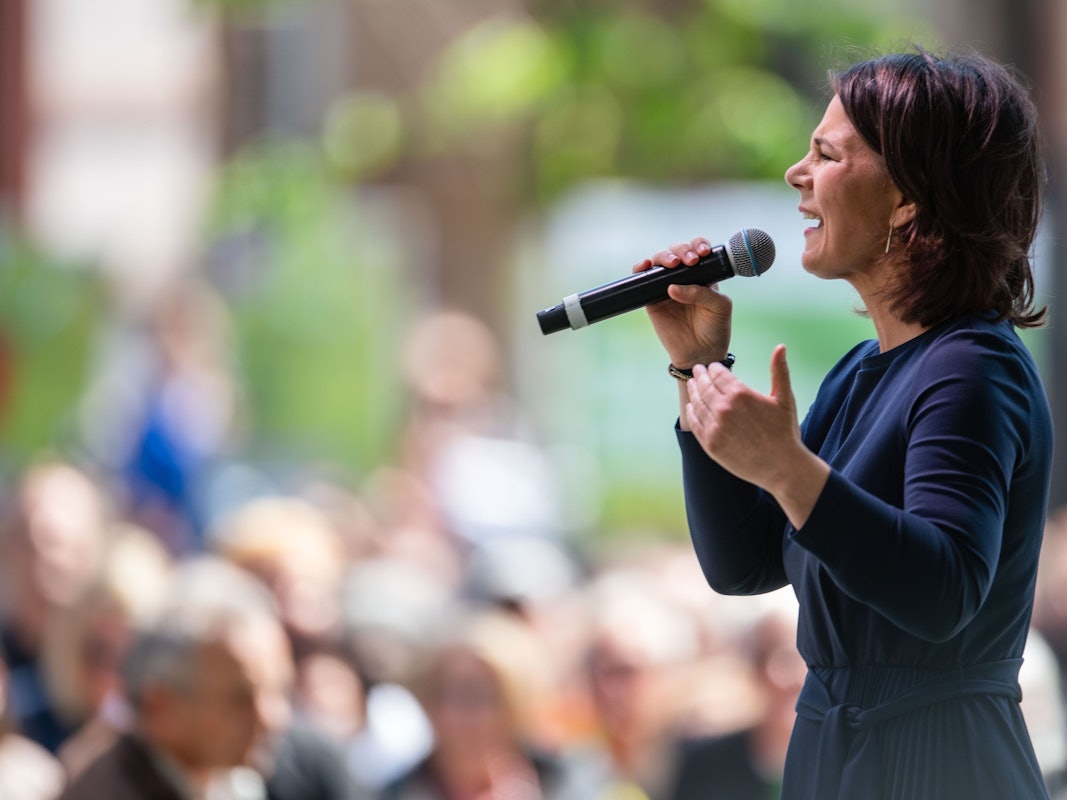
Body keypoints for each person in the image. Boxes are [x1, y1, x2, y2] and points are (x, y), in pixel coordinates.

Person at [636, 48, 1054, 799]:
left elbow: (943, 589)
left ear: (908, 199)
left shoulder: (971, 368)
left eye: (826, 154)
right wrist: (698, 369)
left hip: (936, 762)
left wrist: (790, 470)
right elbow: (743, 565)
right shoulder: (863, 371)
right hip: (831, 749)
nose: (796, 175)